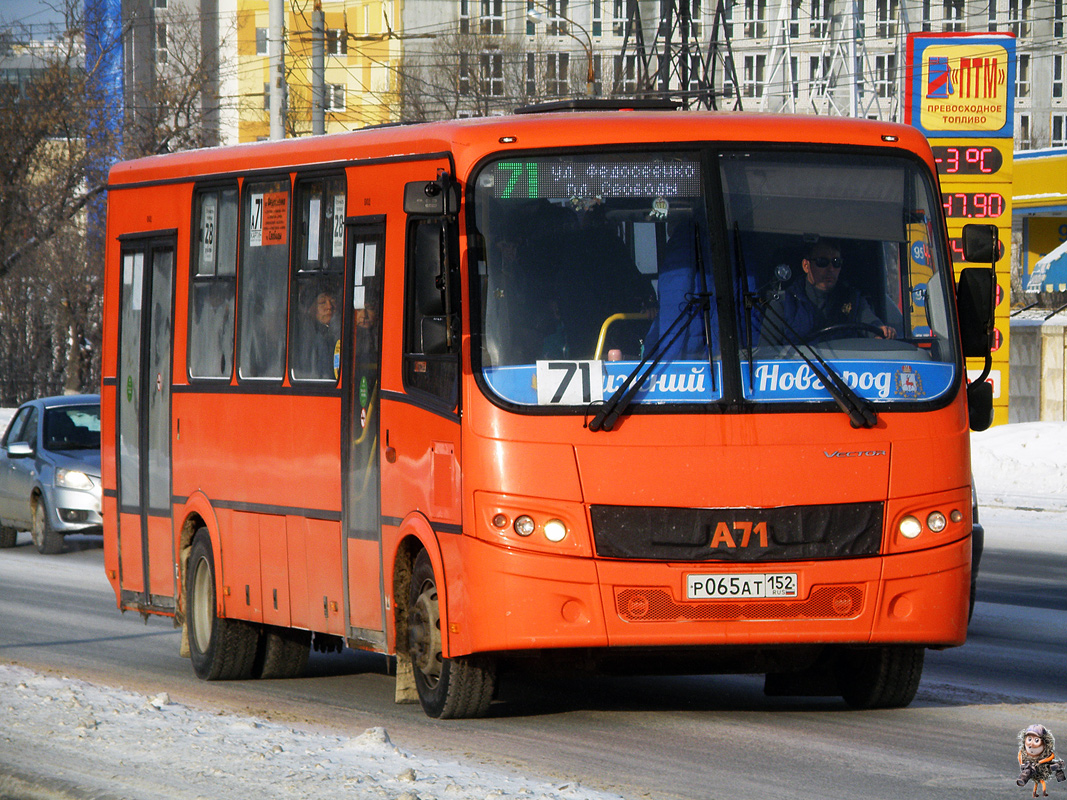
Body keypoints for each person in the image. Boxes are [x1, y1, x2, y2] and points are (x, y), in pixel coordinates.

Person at [759, 238, 896, 346]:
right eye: (822, 262)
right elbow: (766, 355)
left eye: (836, 262)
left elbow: (872, 325)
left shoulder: (854, 300)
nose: (830, 268)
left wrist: (882, 331)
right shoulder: (783, 304)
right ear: (806, 265)